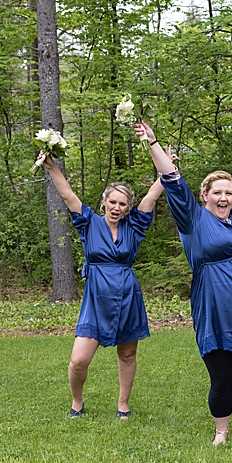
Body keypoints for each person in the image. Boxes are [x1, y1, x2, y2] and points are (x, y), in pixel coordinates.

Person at [135, 116, 232, 445]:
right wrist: (155, 145)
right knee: (222, 373)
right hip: (214, 303)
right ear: (204, 196)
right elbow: (172, 180)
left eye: (228, 192)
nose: (225, 197)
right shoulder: (192, 219)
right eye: (217, 193)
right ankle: (221, 432)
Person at [40, 150, 168, 420]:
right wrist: (51, 167)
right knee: (78, 361)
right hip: (96, 298)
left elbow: (152, 196)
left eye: (122, 204)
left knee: (128, 353)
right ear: (105, 202)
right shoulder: (88, 223)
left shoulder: (135, 226)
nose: (116, 207)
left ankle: (123, 405)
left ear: (128, 207)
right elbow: (68, 195)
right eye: (113, 202)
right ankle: (77, 402)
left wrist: (166, 167)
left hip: (127, 294)